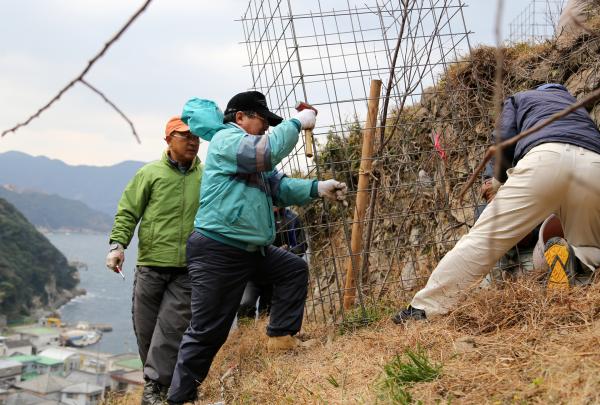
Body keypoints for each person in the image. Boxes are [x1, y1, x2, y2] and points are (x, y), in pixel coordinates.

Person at [166, 91, 347, 404]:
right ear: (240, 118)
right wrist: (297, 122)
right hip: (218, 248)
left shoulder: (248, 150)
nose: (265, 127)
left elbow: (279, 188)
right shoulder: (228, 140)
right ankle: (180, 398)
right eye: (262, 120)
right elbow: (268, 150)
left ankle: (280, 337)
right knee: (209, 329)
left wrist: (318, 188)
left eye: (268, 124)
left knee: (293, 270)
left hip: (248, 248)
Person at [393, 83, 600, 324]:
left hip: (546, 159)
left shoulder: (520, 99)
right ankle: (578, 281)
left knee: (484, 239)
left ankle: (422, 309)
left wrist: (499, 180)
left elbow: (502, 140)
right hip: (594, 164)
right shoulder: (577, 107)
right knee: (589, 244)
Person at [105, 117, 202, 405]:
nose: (193, 141)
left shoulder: (205, 176)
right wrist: (118, 245)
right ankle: (168, 385)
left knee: (171, 330)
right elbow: (128, 212)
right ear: (168, 140)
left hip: (186, 269)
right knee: (145, 331)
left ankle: (154, 391)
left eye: (196, 137)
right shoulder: (149, 173)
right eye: (185, 136)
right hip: (150, 265)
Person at [238, 207, 308, 319]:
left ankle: (262, 334)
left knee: (266, 312)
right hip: (252, 273)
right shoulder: (255, 216)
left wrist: (286, 252)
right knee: (245, 304)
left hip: (275, 275)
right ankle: (243, 333)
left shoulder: (293, 218)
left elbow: (301, 246)